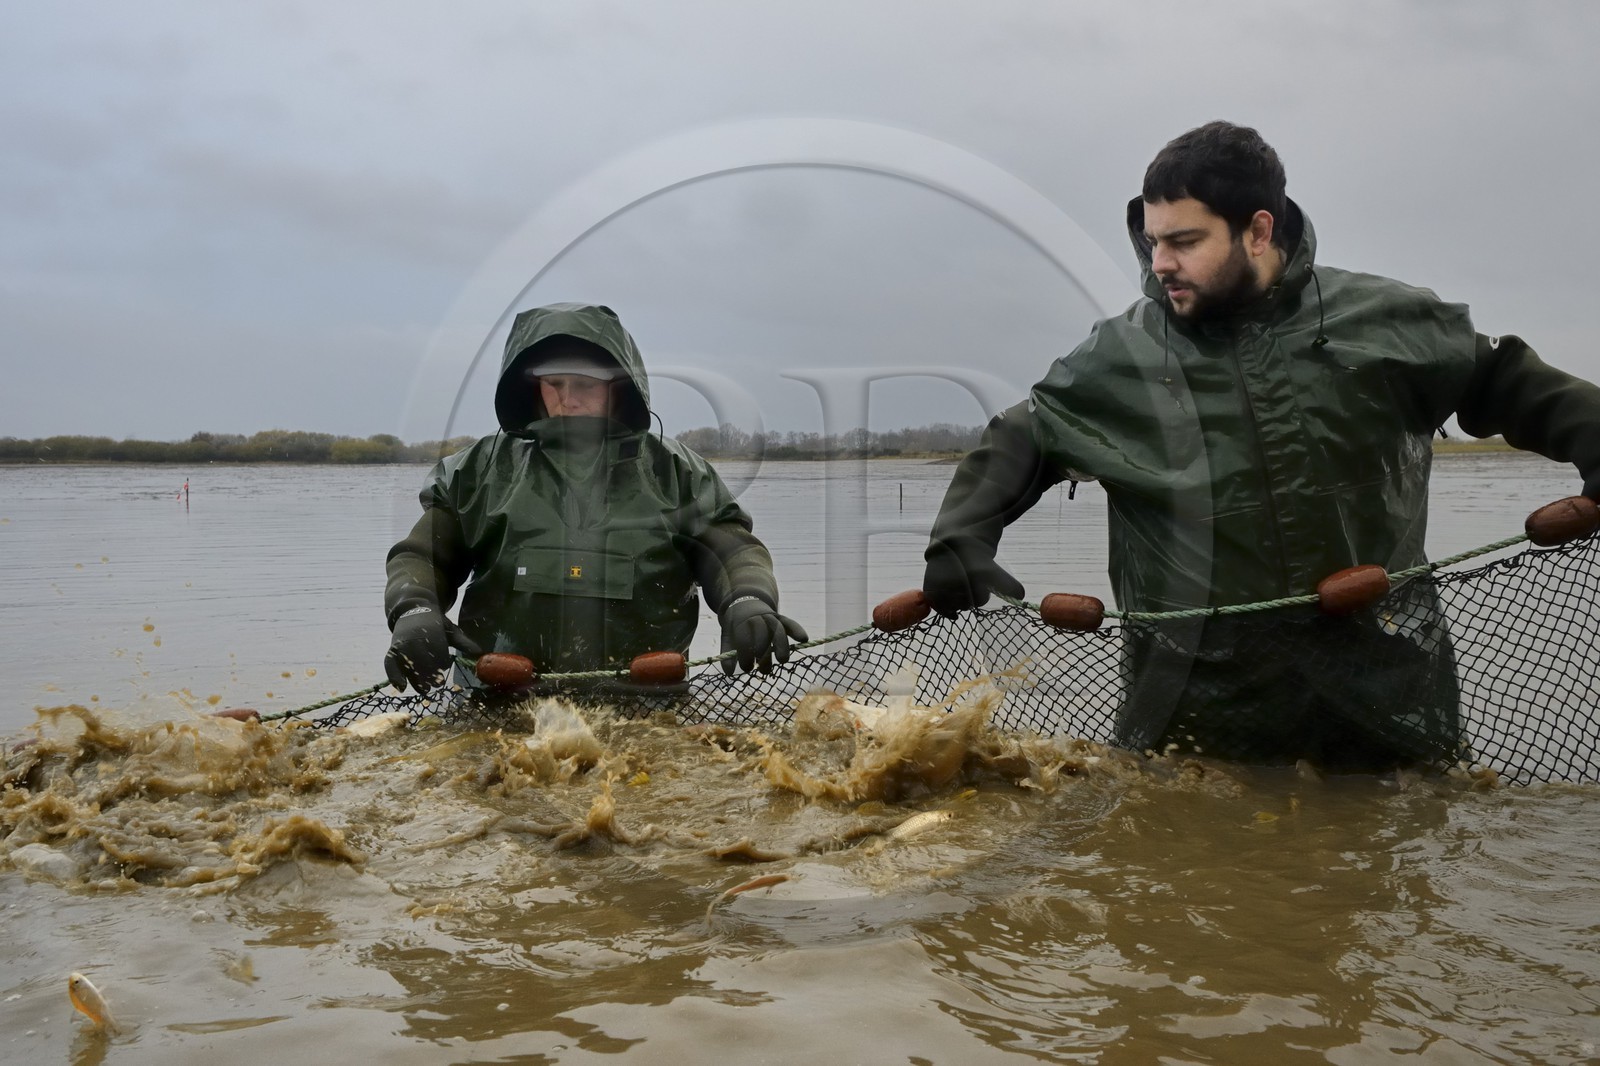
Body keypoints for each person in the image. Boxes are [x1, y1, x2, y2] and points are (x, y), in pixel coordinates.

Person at [922, 121, 1600, 771]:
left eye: (1184, 241)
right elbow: (1026, 435)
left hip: (1387, 699)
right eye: (1152, 240)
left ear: (1258, 229)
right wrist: (961, 534)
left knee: (1405, 855)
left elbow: (1503, 377)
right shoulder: (1116, 358)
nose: (1160, 263)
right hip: (1195, 712)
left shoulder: (1386, 322)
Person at [384, 302, 806, 693]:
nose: (568, 400)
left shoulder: (676, 473)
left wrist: (748, 599)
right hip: (495, 699)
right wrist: (413, 609)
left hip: (644, 705)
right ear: (533, 386)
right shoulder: (477, 471)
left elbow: (732, 551)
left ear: (617, 388)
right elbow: (422, 556)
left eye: (585, 385)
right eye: (555, 384)